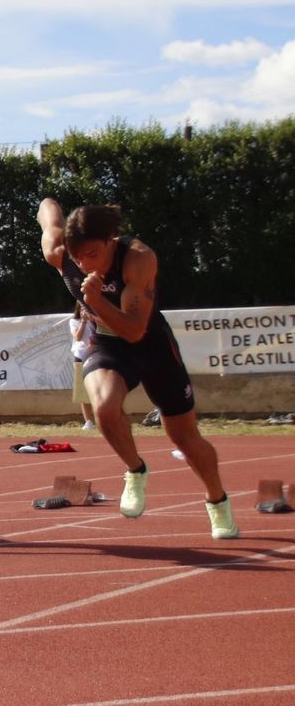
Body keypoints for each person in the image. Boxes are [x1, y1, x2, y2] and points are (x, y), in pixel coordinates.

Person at [35, 200, 237, 539]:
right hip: (108, 346)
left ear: (112, 240)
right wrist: (49, 208)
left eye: (93, 255)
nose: (84, 264)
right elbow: (47, 211)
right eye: (77, 255)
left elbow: (134, 330)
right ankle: (135, 470)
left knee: (185, 438)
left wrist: (97, 301)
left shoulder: (138, 258)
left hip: (150, 344)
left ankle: (218, 503)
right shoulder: (60, 252)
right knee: (103, 407)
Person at [70, 307, 97, 430]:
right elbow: (78, 337)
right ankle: (88, 421)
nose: (85, 311)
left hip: (96, 357)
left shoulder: (97, 320)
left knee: (98, 390)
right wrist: (84, 322)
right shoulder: (74, 321)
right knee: (82, 391)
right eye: (82, 309)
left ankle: (102, 419)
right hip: (81, 356)